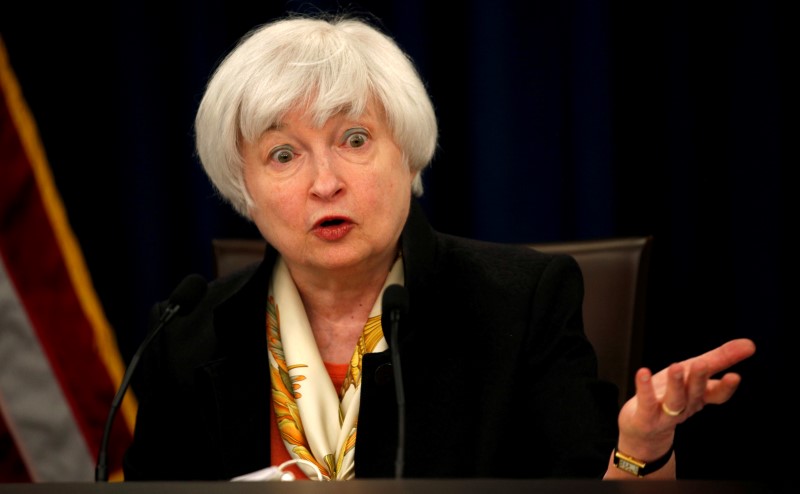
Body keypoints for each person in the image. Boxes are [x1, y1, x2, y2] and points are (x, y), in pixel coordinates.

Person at [122, 12, 756, 482]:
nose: (325, 182)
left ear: (409, 152)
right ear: (244, 187)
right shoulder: (183, 337)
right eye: (283, 154)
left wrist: (642, 448)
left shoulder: (520, 304)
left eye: (355, 139)